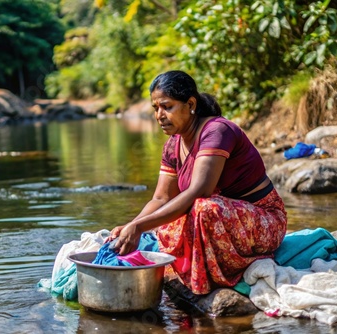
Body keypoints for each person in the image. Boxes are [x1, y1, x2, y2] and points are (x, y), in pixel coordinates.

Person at [108, 70, 287, 295]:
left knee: (204, 208)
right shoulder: (173, 146)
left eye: (167, 106)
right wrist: (130, 226)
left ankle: (227, 273)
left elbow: (201, 190)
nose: (159, 115)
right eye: (156, 108)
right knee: (166, 223)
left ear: (190, 104)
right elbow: (161, 198)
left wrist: (140, 227)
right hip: (226, 222)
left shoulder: (217, 131)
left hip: (264, 219)